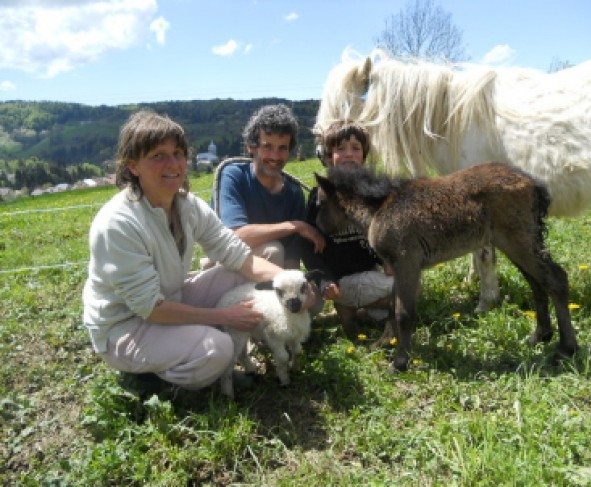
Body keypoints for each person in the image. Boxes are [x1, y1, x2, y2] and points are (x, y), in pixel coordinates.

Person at [82, 109, 314, 393]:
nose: (173, 164)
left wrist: (297, 286)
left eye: (178, 153)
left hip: (171, 297)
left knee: (241, 274)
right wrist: (225, 317)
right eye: (158, 156)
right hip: (128, 325)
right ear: (132, 165)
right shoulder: (118, 224)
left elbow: (238, 255)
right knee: (218, 350)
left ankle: (192, 348)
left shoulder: (186, 205)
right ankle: (156, 381)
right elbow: (150, 310)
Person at [205, 104, 324, 271]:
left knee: (307, 294)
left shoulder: (293, 191)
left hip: (272, 273)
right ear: (251, 146)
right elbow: (235, 237)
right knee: (273, 251)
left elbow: (292, 255)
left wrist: (295, 287)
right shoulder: (233, 175)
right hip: (229, 262)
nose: (275, 156)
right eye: (267, 147)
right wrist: (295, 225)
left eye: (282, 148)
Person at [302, 120, 393, 338]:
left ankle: (357, 310)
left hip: (369, 273)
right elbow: (308, 247)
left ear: (364, 155)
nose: (348, 154)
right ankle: (350, 306)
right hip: (339, 281)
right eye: (340, 149)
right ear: (328, 157)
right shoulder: (320, 197)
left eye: (355, 148)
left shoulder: (372, 194)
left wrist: (389, 260)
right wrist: (325, 279)